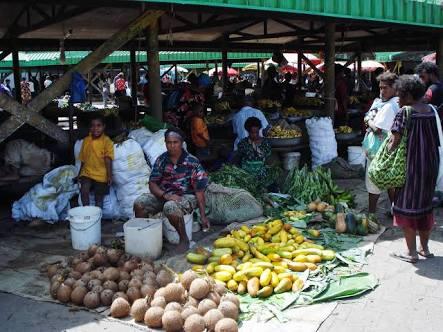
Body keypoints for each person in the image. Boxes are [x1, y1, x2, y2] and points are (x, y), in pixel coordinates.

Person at [388, 75, 439, 263]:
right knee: (425, 206)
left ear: (408, 95)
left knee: (407, 207)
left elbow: (394, 142)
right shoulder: (431, 110)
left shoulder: (405, 112)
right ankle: (424, 248)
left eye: (400, 95)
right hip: (430, 165)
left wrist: (385, 152)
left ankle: (411, 252)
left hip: (411, 166)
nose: (398, 100)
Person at [133, 128, 210, 253]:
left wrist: (203, 216)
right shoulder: (161, 160)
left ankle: (184, 240)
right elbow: (152, 183)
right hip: (165, 195)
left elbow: (199, 191)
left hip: (186, 197)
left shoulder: (192, 162)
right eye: (169, 142)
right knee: (139, 203)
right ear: (165, 143)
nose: (172, 146)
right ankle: (146, 236)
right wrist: (165, 195)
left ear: (181, 143)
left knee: (170, 207)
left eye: (175, 142)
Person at [363, 72, 400, 215]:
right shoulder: (386, 102)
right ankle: (395, 211)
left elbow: (377, 129)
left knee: (373, 180)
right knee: (390, 182)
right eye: (380, 88)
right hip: (388, 149)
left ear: (395, 88)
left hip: (380, 149)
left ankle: (371, 214)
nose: (382, 91)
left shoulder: (391, 106)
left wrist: (368, 121)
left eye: (385, 88)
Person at [78, 114, 114, 209]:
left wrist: (109, 176)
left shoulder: (107, 141)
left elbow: (108, 159)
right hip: (87, 172)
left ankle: (97, 217)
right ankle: (87, 211)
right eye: (93, 126)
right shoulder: (86, 140)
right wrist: (79, 174)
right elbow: (83, 159)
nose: (95, 128)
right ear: (89, 127)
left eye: (99, 125)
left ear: (103, 127)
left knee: (99, 198)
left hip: (101, 174)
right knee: (84, 191)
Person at [237, 117, 273, 185]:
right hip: (246, 176)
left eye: (256, 132)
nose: (255, 135)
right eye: (252, 133)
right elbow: (239, 158)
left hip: (262, 176)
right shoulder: (243, 143)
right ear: (247, 131)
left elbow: (266, 157)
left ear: (259, 129)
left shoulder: (265, 143)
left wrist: (254, 145)